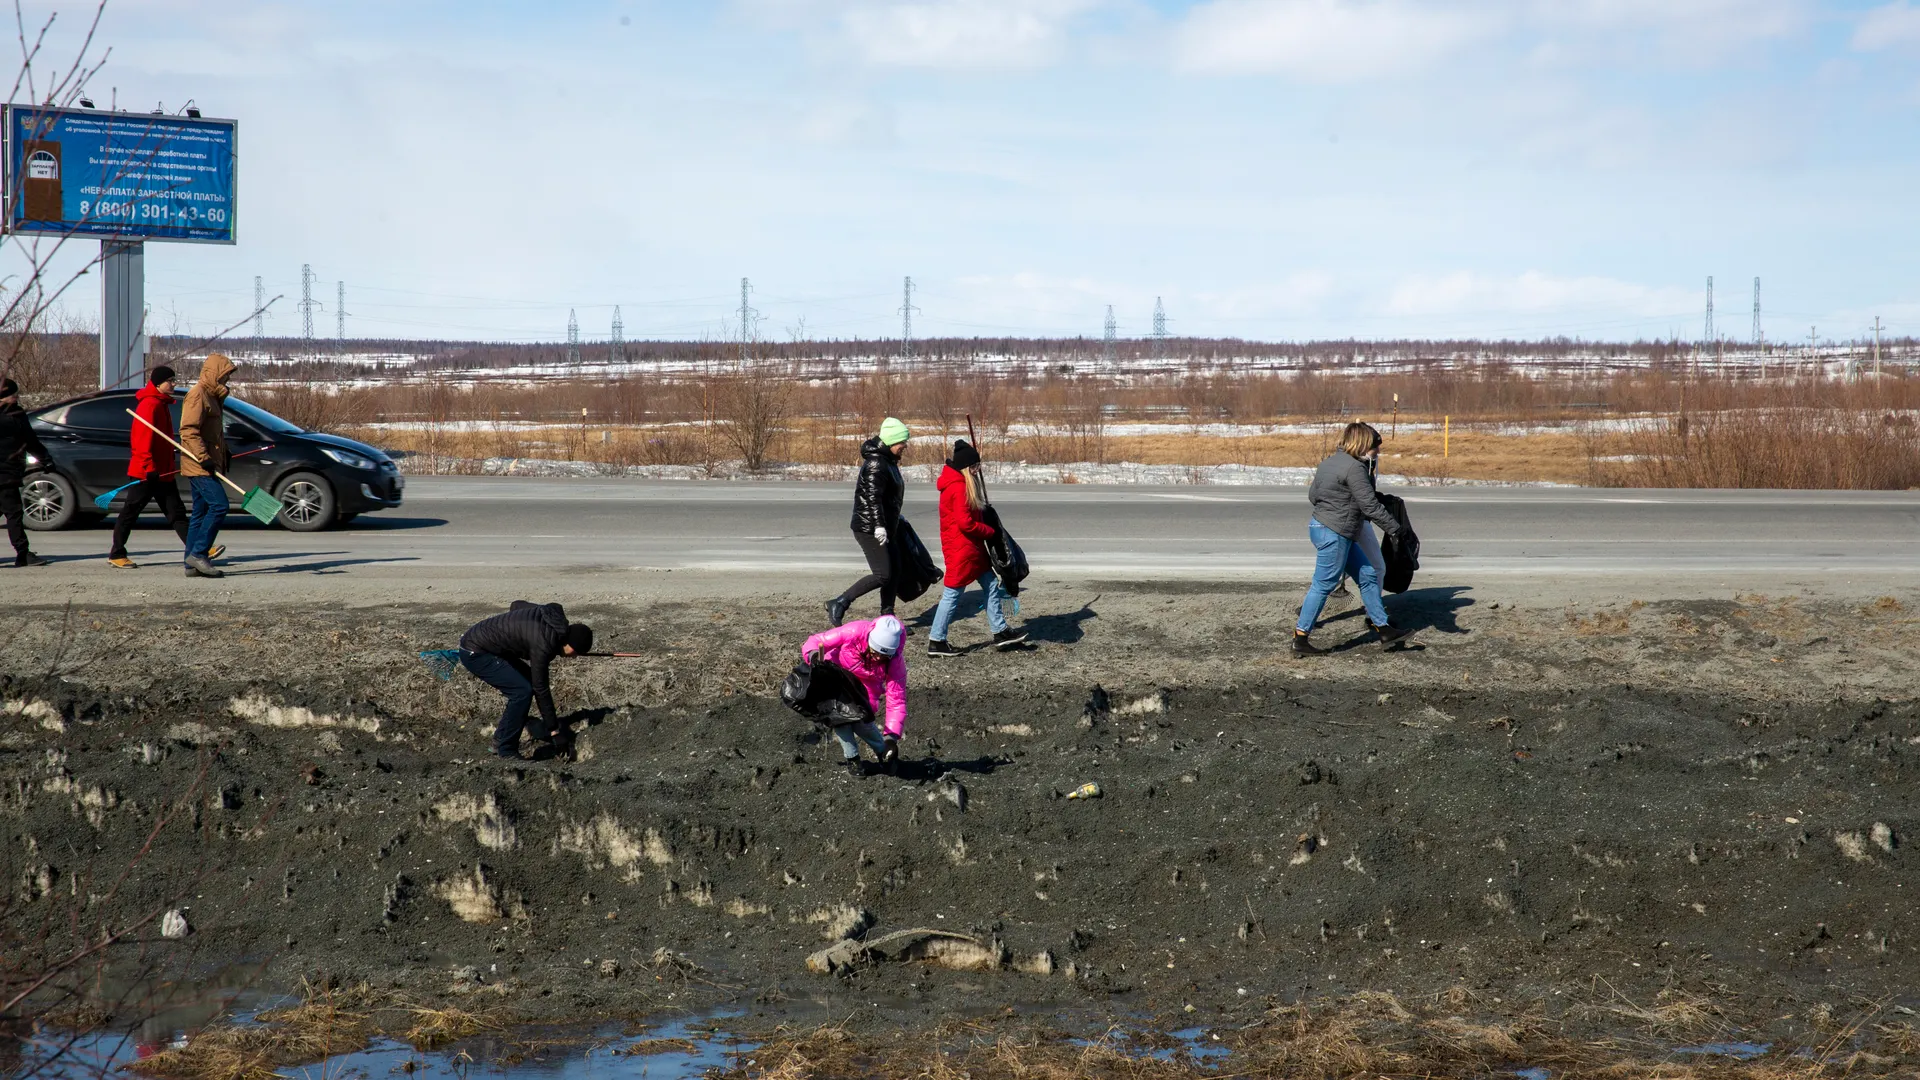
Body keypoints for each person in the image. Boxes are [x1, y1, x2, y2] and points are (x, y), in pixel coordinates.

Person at [1295, 422, 1409, 655]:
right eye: (1374, 446)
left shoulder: (1328, 462)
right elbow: (1369, 506)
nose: (1376, 451)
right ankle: (1300, 639)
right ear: (1363, 443)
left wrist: (1333, 507)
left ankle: (1383, 629)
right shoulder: (1355, 468)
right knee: (1323, 584)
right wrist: (1396, 529)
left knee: (1367, 575)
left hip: (1322, 527)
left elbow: (1313, 495)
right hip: (1335, 533)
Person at [458, 600, 594, 760]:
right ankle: (507, 750)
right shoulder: (543, 644)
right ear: (570, 645)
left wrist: (512, 634)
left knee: (525, 683)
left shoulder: (551, 617)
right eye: (576, 653)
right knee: (522, 691)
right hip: (476, 652)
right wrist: (554, 731)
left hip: (486, 644)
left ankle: (500, 739)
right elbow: (541, 689)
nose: (575, 657)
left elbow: (516, 605)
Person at [108, 366, 214, 569]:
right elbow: (141, 441)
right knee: (130, 512)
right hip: (146, 472)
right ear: (158, 384)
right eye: (170, 380)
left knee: (177, 513)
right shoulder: (150, 405)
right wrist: (149, 467)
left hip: (163, 472)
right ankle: (117, 553)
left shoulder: (161, 403)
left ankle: (198, 549)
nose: (174, 383)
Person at [927, 439, 1026, 657]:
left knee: (991, 584)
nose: (977, 470)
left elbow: (971, 515)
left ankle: (1000, 631)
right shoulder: (958, 487)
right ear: (965, 467)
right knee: (952, 594)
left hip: (971, 549)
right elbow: (966, 523)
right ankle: (936, 640)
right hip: (963, 550)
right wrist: (989, 531)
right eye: (974, 466)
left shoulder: (960, 484)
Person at [825, 417, 910, 627]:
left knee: (896, 570)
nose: (905, 446)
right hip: (869, 528)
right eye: (902, 442)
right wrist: (879, 526)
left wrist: (894, 518)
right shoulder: (876, 463)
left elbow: (888, 497)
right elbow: (872, 497)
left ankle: (887, 619)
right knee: (883, 574)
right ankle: (840, 602)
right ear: (891, 441)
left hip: (886, 526)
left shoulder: (888, 461)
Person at [800, 614, 907, 776]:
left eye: (884, 656)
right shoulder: (854, 632)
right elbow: (817, 641)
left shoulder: (895, 663)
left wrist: (892, 737)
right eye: (875, 652)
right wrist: (815, 657)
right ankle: (853, 759)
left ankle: (885, 754)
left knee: (864, 725)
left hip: (865, 691)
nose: (878, 657)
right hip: (837, 679)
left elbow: (897, 700)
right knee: (840, 720)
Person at [178, 353, 236, 579]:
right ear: (214, 374)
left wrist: (225, 453)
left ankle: (190, 563)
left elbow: (213, 432)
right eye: (224, 376)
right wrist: (203, 457)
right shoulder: (198, 395)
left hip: (205, 462)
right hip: (198, 464)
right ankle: (199, 553)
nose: (227, 381)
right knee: (220, 506)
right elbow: (189, 430)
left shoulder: (212, 396)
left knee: (200, 513)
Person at [0, 377, 51, 567]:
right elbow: (30, 441)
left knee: (9, 511)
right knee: (14, 514)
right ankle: (23, 553)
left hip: (8, 472)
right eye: (13, 394)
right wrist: (45, 459)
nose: (16, 397)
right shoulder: (14, 417)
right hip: (6, 473)